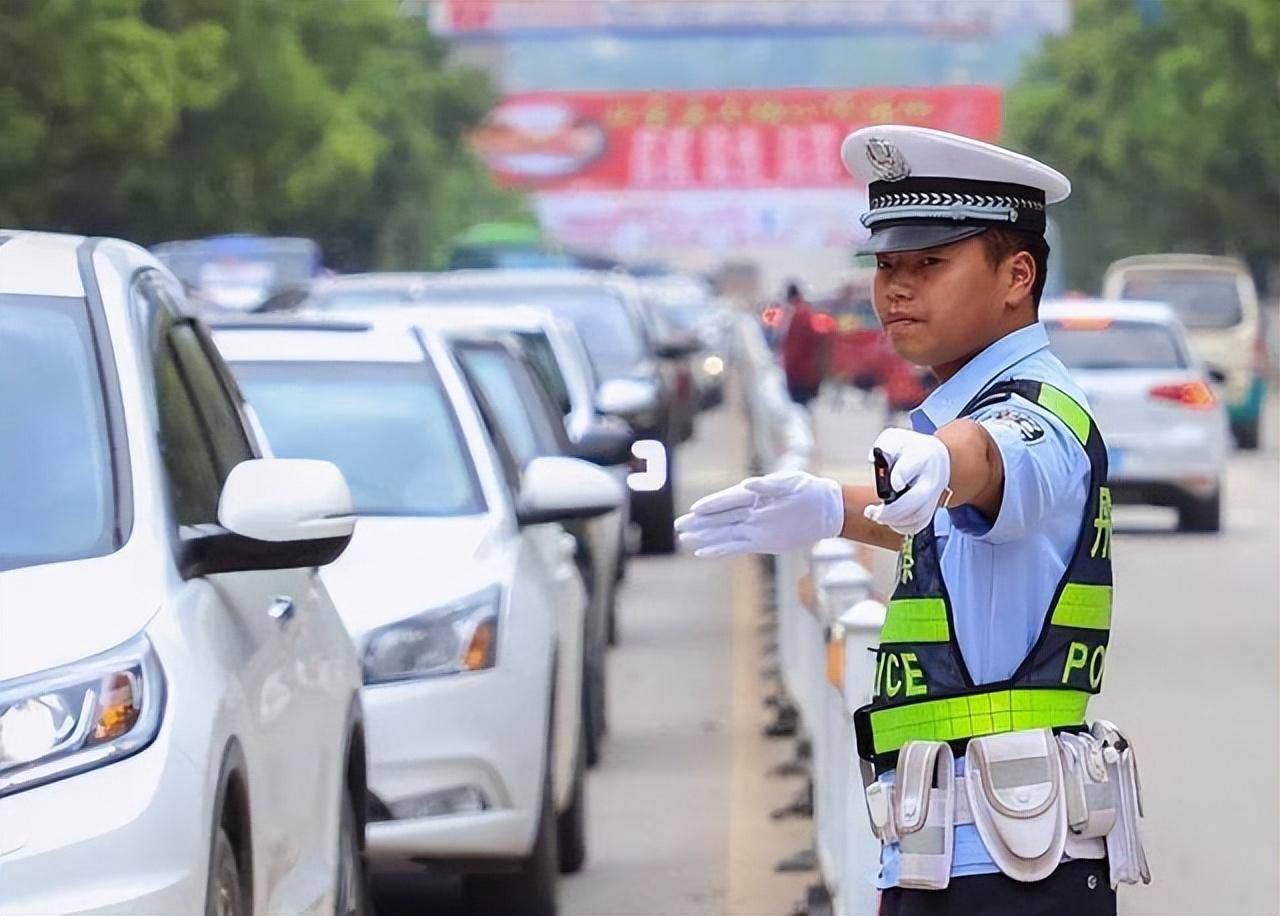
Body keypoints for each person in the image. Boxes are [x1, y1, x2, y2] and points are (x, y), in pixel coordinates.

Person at [677, 126, 1148, 914]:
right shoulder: (968, 407)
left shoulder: (1037, 410)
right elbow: (954, 526)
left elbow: (989, 460)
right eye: (887, 264)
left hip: (1014, 869)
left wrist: (947, 457)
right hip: (953, 853)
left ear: (1017, 275)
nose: (897, 288)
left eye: (930, 263)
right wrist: (833, 508)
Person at [779, 281, 823, 406]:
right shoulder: (806, 312)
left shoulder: (799, 315)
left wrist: (787, 366)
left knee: (800, 408)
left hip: (800, 374)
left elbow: (796, 347)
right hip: (808, 373)